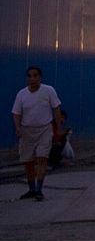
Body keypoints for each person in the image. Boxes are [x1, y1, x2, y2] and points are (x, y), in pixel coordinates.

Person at [12, 66, 62, 201]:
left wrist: (58, 127)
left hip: (44, 129)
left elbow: (56, 109)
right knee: (28, 161)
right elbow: (16, 113)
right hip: (27, 131)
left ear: (40, 77)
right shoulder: (22, 94)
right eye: (30, 76)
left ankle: (39, 189)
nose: (32, 79)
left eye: (35, 76)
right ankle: (31, 188)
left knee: (41, 158)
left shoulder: (48, 91)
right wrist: (18, 128)